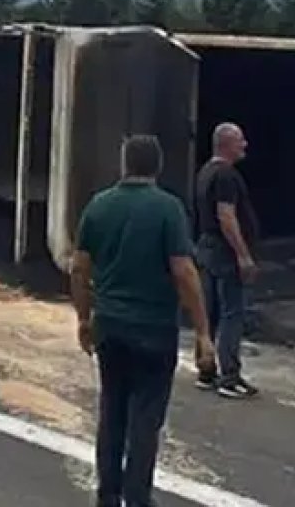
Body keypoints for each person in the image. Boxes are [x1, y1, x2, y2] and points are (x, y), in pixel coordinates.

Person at [70, 134, 215, 507]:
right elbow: (183, 270)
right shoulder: (168, 209)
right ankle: (137, 498)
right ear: (157, 167)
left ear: (124, 164)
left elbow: (79, 267)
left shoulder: (99, 207)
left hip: (111, 326)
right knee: (145, 420)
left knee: (112, 411)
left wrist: (84, 318)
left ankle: (108, 494)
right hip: (153, 329)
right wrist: (202, 332)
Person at [193, 122, 260, 399]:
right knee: (233, 313)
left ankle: (206, 370)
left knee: (208, 312)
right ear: (226, 144)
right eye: (240, 141)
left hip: (206, 249)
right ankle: (229, 377)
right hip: (224, 251)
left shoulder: (206, 172)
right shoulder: (226, 176)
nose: (245, 145)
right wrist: (243, 255)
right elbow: (227, 216)